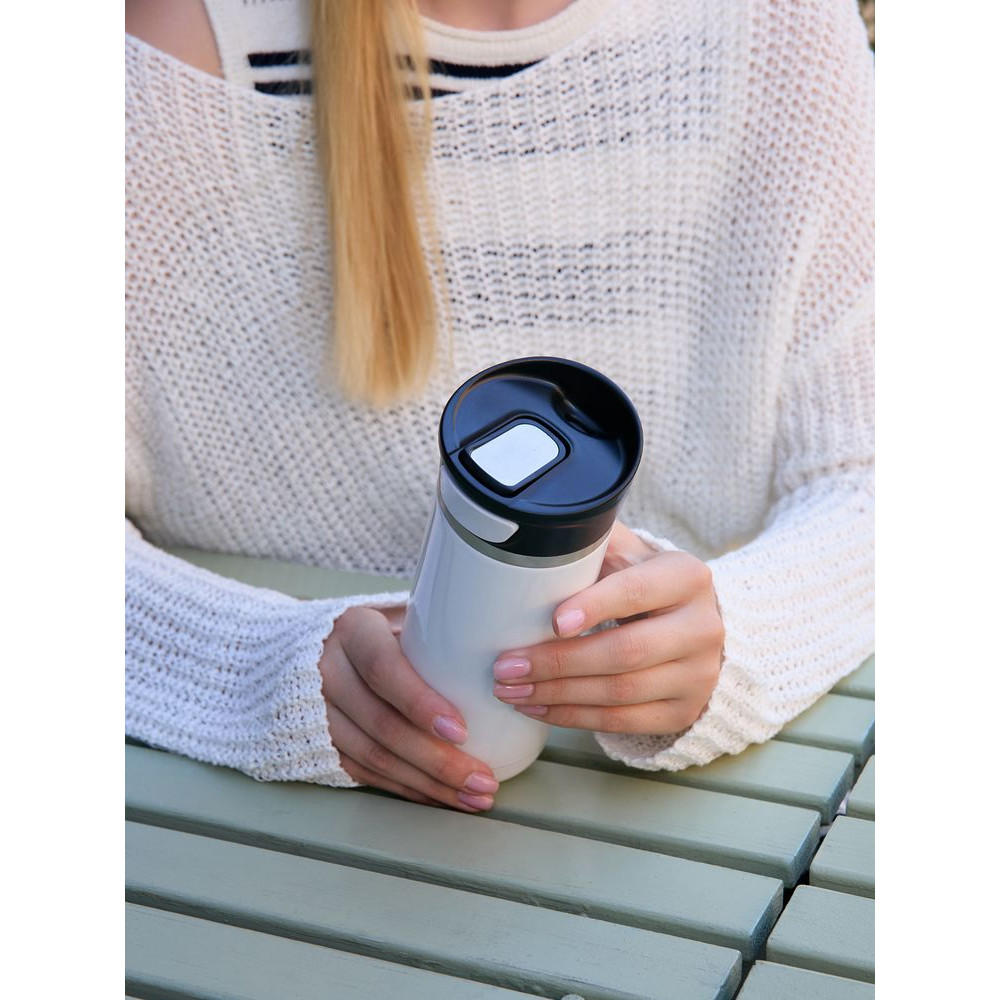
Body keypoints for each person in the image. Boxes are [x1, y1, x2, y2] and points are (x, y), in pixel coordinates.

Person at [125, 0, 874, 814]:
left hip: (640, 829)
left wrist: (737, 633)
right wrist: (255, 667)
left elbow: (870, 477)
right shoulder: (167, 62)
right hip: (254, 837)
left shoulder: (774, 30)